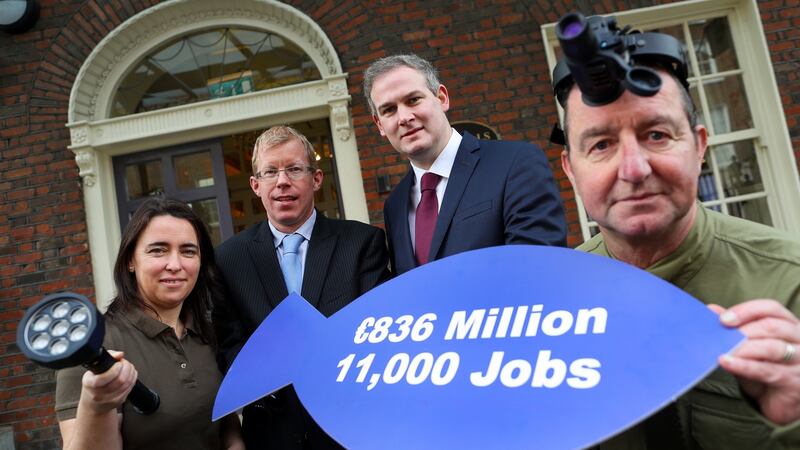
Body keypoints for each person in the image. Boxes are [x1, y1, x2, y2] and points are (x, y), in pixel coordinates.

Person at [554, 26, 800, 448]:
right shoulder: (548, 304)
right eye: (601, 145)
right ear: (571, 169)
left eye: (657, 135)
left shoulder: (790, 281)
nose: (634, 169)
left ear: (699, 146)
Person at [213, 125, 391, 449]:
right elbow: (229, 342)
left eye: (294, 169)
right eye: (270, 172)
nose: (282, 181)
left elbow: (378, 334)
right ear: (255, 185)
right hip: (272, 433)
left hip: (350, 428)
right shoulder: (229, 259)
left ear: (316, 179)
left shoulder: (362, 244)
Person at [54, 198, 244, 450]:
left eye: (188, 251)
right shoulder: (94, 346)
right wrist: (97, 403)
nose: (175, 265)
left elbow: (225, 425)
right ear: (130, 260)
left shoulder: (208, 333)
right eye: (158, 250)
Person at [363, 53, 568, 275]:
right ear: (379, 125)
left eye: (413, 100)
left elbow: (539, 269)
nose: (404, 117)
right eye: (389, 110)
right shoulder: (395, 205)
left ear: (442, 98)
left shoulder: (515, 163)